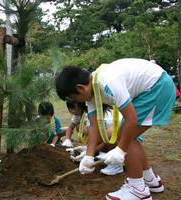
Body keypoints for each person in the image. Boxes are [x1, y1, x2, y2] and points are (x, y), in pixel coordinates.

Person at [55, 58, 176, 200]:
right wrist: (89, 155)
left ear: (81, 88)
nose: (76, 102)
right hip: (154, 87)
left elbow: (131, 119)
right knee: (127, 135)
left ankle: (138, 189)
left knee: (124, 134)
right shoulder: (92, 93)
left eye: (73, 97)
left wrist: (120, 150)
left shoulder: (108, 81)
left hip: (157, 86)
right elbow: (94, 126)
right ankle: (150, 180)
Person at [64, 99, 124, 176]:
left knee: (107, 134)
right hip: (113, 139)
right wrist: (86, 148)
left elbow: (105, 140)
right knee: (88, 132)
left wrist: (89, 152)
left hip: (124, 144)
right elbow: (94, 137)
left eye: (74, 108)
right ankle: (103, 153)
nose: (72, 111)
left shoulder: (104, 118)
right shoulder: (91, 113)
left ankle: (116, 164)